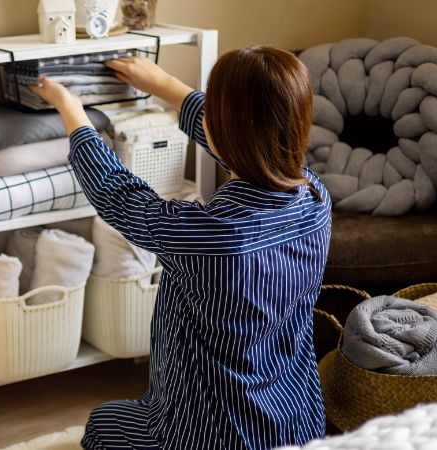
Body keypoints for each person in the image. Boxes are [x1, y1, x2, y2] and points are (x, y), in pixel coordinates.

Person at [28, 46, 331, 450]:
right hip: (299, 425)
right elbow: (248, 145)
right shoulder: (315, 199)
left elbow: (119, 195)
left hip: (207, 437)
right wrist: (165, 86)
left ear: (223, 132)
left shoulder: (210, 235)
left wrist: (71, 108)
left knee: (101, 426)